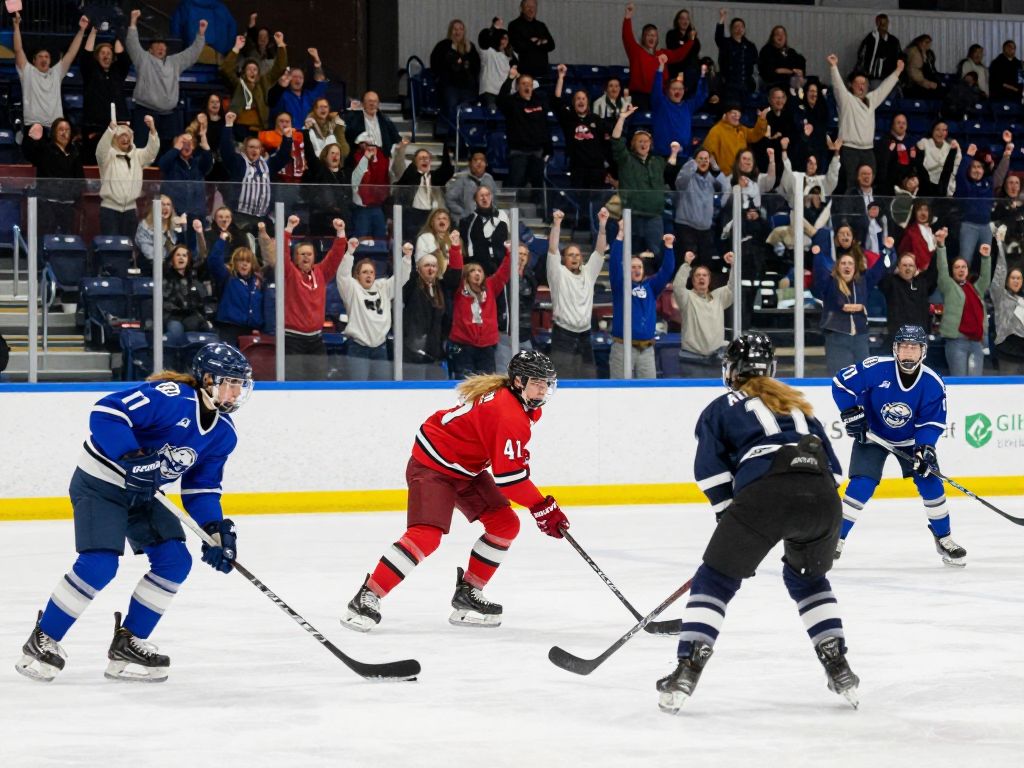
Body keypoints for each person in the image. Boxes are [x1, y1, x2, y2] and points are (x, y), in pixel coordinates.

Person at [14, 343, 253, 683]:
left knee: (175, 561)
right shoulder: (171, 396)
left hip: (145, 494)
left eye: (241, 384)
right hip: (102, 482)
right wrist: (130, 457)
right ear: (208, 379)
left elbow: (201, 489)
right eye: (230, 382)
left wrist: (215, 530)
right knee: (100, 563)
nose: (237, 390)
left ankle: (128, 642)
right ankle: (43, 639)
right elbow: (106, 412)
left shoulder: (223, 434)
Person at [657, 333, 857, 713]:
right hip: (823, 499)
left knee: (715, 579)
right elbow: (833, 472)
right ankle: (838, 665)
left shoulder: (721, 407)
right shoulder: (800, 407)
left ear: (731, 371)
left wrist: (730, 517)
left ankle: (687, 668)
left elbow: (711, 473)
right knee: (808, 579)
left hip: (765, 494)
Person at [341, 350, 567, 631]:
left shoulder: (525, 406)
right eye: (537, 382)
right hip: (433, 466)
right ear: (518, 382)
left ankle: (468, 594)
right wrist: (542, 507)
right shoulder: (507, 412)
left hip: (465, 469)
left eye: (547, 383)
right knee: (426, 536)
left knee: (505, 524)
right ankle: (367, 595)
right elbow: (509, 479)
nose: (543, 389)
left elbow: (506, 461)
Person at [832, 325, 966, 567]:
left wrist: (925, 448)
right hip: (873, 435)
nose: (908, 353)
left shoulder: (932, 383)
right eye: (903, 347)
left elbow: (931, 422)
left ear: (922, 352)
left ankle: (944, 538)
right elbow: (840, 384)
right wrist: (851, 412)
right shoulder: (877, 368)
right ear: (895, 349)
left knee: (931, 484)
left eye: (913, 348)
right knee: (862, 484)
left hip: (911, 441)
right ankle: (835, 538)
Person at [812, 226, 893, 375]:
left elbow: (879, 269)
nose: (847, 266)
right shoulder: (830, 283)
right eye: (843, 263)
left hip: (860, 336)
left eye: (850, 263)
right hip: (837, 336)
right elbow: (819, 276)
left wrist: (885, 250)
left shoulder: (863, 282)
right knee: (840, 377)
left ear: (855, 268)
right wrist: (817, 257)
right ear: (837, 267)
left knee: (864, 378)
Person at [126, 10, 207, 151]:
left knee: (169, 151)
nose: (161, 47)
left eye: (163, 45)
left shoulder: (175, 61)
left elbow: (192, 54)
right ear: (150, 49)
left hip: (169, 116)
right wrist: (133, 22)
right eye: (156, 44)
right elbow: (132, 43)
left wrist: (200, 34)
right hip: (145, 113)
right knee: (142, 151)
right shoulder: (143, 59)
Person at [282, 215, 349, 380]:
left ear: (314, 257)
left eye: (309, 254)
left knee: (318, 381)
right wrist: (288, 229)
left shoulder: (320, 273)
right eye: (302, 254)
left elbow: (335, 257)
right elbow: (281, 254)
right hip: (292, 340)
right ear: (295, 257)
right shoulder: (290, 273)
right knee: (294, 383)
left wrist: (340, 232)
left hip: (316, 340)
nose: (306, 257)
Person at [336, 240, 412, 380]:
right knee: (359, 391)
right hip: (358, 348)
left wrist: (407, 258)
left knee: (382, 392)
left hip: (380, 348)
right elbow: (342, 275)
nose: (369, 275)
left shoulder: (383, 287)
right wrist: (349, 253)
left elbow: (401, 278)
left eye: (371, 272)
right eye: (364, 272)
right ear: (357, 276)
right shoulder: (352, 289)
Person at [546, 208, 608, 379]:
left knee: (589, 378)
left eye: (577, 255)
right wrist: (557, 225)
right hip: (562, 334)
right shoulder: (557, 274)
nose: (574, 258)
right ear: (564, 259)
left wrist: (602, 225)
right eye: (570, 255)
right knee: (563, 379)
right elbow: (552, 250)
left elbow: (600, 251)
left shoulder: (589, 273)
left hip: (585, 335)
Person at [828, 52, 904, 190]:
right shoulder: (847, 100)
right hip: (850, 149)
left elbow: (884, 88)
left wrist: (897, 72)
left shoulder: (872, 99)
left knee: (870, 185)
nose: (861, 86)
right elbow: (838, 86)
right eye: (858, 83)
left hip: (868, 150)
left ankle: (868, 210)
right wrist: (834, 67)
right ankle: (850, 211)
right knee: (851, 185)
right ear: (851, 85)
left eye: (864, 84)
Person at [609, 229, 676, 378]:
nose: (637, 269)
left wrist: (669, 247)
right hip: (623, 348)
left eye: (639, 267)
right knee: (619, 391)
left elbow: (667, 270)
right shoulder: (620, 285)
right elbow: (614, 263)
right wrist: (619, 237)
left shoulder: (651, 286)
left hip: (646, 349)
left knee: (649, 392)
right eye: (632, 267)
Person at [611, 103, 674, 258]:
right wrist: (622, 117)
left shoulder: (658, 161)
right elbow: (616, 140)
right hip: (632, 215)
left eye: (646, 141)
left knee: (656, 255)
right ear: (633, 144)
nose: (643, 143)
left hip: (654, 216)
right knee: (630, 255)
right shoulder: (626, 159)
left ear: (651, 145)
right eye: (640, 141)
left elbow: (671, 170)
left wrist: (675, 152)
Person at [447, 235, 512, 378]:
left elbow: (504, 273)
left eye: (480, 271)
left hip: (486, 347)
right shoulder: (459, 288)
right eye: (472, 271)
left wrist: (509, 254)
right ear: (466, 276)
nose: (477, 273)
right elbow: (456, 269)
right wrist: (455, 248)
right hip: (463, 345)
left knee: (486, 387)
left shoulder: (490, 286)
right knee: (464, 385)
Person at [220, 111, 293, 234]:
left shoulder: (267, 164)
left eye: (257, 147)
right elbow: (226, 150)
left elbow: (283, 156)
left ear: (261, 150)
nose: (254, 150)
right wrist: (228, 125)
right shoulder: (238, 162)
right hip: (240, 216)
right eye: (251, 147)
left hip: (262, 217)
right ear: (245, 148)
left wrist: (287, 138)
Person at [13, 12, 88, 130]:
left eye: (46, 57)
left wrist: (81, 30)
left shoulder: (56, 72)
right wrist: (16, 26)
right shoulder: (28, 71)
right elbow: (18, 50)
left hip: (55, 127)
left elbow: (71, 53)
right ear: (34, 61)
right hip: (33, 126)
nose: (44, 59)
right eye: (40, 57)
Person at [936, 230, 991, 377]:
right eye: (957, 267)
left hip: (976, 342)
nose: (961, 270)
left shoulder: (974, 288)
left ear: (967, 270)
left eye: (964, 267)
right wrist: (941, 246)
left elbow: (985, 278)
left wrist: (985, 258)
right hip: (957, 341)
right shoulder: (948, 286)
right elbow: (942, 268)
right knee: (960, 381)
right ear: (952, 271)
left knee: (975, 384)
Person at [672, 249, 734, 376]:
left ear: (709, 279)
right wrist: (686, 265)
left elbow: (733, 287)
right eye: (697, 275)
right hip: (692, 359)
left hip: (717, 359)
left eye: (704, 275)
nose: (701, 278)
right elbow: (678, 287)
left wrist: (733, 265)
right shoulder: (687, 298)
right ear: (693, 280)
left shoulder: (719, 297)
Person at [621, 3, 693, 111]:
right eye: (649, 34)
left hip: (660, 97)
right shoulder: (636, 52)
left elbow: (679, 55)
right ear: (643, 37)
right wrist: (628, 17)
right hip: (640, 97)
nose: (652, 37)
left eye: (654, 35)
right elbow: (627, 37)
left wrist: (691, 41)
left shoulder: (662, 54)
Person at [97, 116, 161, 238]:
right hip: (109, 209)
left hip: (131, 209)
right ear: (114, 139)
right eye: (121, 136)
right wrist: (110, 130)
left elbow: (151, 152)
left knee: (128, 246)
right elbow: (100, 151)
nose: (125, 139)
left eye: (128, 136)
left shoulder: (137, 155)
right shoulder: (107, 156)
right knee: (112, 247)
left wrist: (152, 130)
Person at [206, 233, 272, 347]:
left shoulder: (259, 282)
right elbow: (214, 261)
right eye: (240, 260)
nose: (244, 264)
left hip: (252, 330)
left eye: (248, 261)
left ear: (252, 264)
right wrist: (221, 240)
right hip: (230, 329)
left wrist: (260, 327)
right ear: (235, 263)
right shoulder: (227, 277)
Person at [497, 66, 550, 202]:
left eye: (529, 84)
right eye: (523, 84)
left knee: (538, 183)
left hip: (537, 151)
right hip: (518, 150)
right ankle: (508, 210)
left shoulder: (539, 102)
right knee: (516, 180)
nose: (527, 87)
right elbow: (500, 100)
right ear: (518, 86)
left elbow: (545, 126)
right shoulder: (512, 103)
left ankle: (540, 213)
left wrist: (548, 148)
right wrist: (510, 79)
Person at [22, 120, 84, 236]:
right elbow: (30, 154)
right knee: (47, 237)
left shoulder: (75, 152)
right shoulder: (45, 150)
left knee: (67, 238)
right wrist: (33, 140)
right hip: (48, 204)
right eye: (61, 129)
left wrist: (74, 195)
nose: (64, 133)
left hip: (68, 204)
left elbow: (80, 179)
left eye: (67, 130)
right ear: (54, 132)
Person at [554, 64, 610, 188]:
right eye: (578, 99)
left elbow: (605, 143)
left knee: (596, 203)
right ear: (573, 103)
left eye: (583, 98)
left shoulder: (596, 119)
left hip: (597, 169)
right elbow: (557, 100)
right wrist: (561, 77)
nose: (581, 101)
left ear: (587, 102)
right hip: (578, 169)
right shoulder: (569, 119)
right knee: (580, 202)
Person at [672, 147, 729, 271]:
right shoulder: (688, 177)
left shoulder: (710, 178)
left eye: (706, 159)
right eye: (700, 159)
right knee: (687, 263)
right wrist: (692, 163)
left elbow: (726, 188)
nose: (703, 162)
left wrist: (716, 168)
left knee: (705, 263)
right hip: (686, 226)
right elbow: (679, 183)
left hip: (705, 229)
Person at [220, 32, 288, 135]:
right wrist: (236, 48)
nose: (252, 72)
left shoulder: (264, 81)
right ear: (243, 72)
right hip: (240, 127)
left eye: (255, 69)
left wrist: (281, 45)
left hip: (260, 128)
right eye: (249, 69)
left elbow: (280, 68)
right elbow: (225, 69)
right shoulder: (239, 83)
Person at [81, 26, 131, 163]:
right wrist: (93, 31)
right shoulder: (90, 72)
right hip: (95, 126)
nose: (106, 56)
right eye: (102, 53)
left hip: (118, 126)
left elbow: (123, 59)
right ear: (96, 56)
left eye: (109, 53)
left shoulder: (118, 72)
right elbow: (86, 55)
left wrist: (118, 35)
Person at [430, 19, 481, 143]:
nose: (458, 32)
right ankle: (450, 137)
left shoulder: (470, 47)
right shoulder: (443, 46)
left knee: (466, 112)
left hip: (467, 87)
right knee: (451, 109)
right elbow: (435, 62)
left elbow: (477, 66)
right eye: (455, 29)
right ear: (451, 31)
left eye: (460, 29)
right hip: (449, 86)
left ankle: (464, 138)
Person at [651, 54, 708, 159]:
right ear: (667, 91)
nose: (678, 91)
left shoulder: (688, 106)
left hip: (683, 155)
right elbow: (656, 87)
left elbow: (701, 96)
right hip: (663, 155)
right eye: (674, 89)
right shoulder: (661, 103)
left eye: (680, 89)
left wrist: (703, 76)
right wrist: (661, 66)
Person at [877, 250, 937, 345]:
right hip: (899, 336)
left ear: (916, 268)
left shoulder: (922, 282)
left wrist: (940, 247)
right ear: (898, 267)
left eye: (911, 265)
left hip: (919, 336)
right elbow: (879, 274)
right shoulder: (891, 282)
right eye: (904, 265)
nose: (908, 268)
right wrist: (890, 260)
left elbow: (934, 271)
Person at [989, 227, 1024, 374]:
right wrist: (1000, 244)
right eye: (1013, 278)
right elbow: (1000, 273)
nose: (1016, 281)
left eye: (1019, 278)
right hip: (1007, 355)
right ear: (1007, 281)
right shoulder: (1000, 297)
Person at [701, 103, 768, 176]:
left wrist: (762, 119)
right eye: (734, 113)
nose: (737, 116)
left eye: (739, 113)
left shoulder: (741, 129)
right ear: (725, 115)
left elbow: (755, 135)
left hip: (743, 174)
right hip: (727, 176)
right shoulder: (716, 131)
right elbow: (706, 151)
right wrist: (716, 169)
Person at [271, 47, 328, 127]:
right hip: (290, 136)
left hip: (308, 135)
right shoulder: (283, 96)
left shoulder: (309, 95)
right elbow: (273, 109)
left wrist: (317, 64)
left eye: (300, 77)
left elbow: (320, 83)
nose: (298, 79)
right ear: (289, 79)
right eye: (294, 76)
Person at [350, 132, 391, 239]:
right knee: (361, 239)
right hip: (361, 207)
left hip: (378, 206)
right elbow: (355, 180)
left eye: (368, 144)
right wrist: (365, 159)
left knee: (380, 240)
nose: (366, 147)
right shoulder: (356, 158)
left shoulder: (384, 160)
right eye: (363, 144)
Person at [713, 9, 757, 105]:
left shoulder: (750, 46)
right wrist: (722, 18)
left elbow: (754, 61)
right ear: (731, 29)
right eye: (736, 26)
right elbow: (718, 37)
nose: (739, 29)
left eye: (741, 26)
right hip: (730, 85)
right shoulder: (726, 43)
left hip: (746, 84)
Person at [344, 92, 402, 163]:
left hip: (381, 159)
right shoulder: (353, 119)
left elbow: (396, 139)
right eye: (369, 101)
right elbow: (348, 138)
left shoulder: (385, 121)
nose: (372, 104)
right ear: (363, 104)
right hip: (360, 159)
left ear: (378, 104)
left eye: (375, 101)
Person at [507, 0, 555, 80]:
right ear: (521, 8)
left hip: (543, 72)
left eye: (533, 7)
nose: (531, 9)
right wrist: (541, 41)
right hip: (524, 72)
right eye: (528, 6)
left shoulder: (541, 25)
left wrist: (533, 41)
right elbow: (518, 47)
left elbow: (551, 45)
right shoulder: (514, 25)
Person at [446, 151, 498, 222]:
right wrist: (464, 214)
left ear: (486, 164)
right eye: (475, 160)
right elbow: (450, 200)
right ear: (470, 163)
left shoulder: (489, 179)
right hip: (463, 221)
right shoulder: (460, 177)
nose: (479, 162)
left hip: (484, 220)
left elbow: (494, 201)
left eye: (482, 160)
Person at [136, 195, 186, 268]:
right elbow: (150, 254)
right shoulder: (144, 226)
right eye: (162, 204)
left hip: (172, 265)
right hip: (151, 265)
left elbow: (185, 249)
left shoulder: (175, 226)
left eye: (168, 204)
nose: (165, 207)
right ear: (155, 208)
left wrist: (183, 226)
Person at [758, 25, 806, 93]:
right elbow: (772, 71)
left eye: (783, 34)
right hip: (773, 84)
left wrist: (795, 72)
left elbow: (800, 64)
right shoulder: (767, 50)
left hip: (790, 84)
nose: (780, 36)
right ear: (772, 37)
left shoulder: (790, 51)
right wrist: (792, 71)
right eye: (777, 34)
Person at [856, 13, 901, 82]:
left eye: (885, 23)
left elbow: (898, 57)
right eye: (880, 23)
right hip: (873, 77)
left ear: (888, 23)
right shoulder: (870, 39)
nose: (883, 25)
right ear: (877, 23)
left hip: (889, 77)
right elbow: (861, 55)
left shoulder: (894, 41)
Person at [665, 8, 700, 85]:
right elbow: (675, 51)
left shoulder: (692, 35)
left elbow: (695, 52)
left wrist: (692, 39)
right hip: (677, 69)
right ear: (678, 21)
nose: (685, 21)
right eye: (682, 18)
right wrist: (689, 42)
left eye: (687, 19)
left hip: (691, 70)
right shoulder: (671, 34)